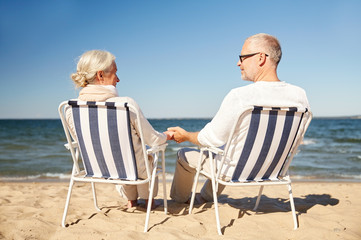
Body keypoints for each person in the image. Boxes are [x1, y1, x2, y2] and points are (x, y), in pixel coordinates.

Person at [168, 33, 311, 203]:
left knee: (184, 155)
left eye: (242, 57)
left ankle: (178, 201)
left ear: (260, 58)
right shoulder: (299, 95)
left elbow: (210, 138)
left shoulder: (240, 96)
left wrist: (186, 136)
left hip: (235, 172)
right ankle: (206, 196)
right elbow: (296, 139)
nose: (238, 63)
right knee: (231, 148)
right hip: (272, 171)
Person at [66, 50, 173, 208]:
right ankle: (150, 201)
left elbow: (83, 142)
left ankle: (131, 201)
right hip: (135, 171)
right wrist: (167, 135)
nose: (118, 79)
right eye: (115, 73)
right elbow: (153, 139)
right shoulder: (125, 105)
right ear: (100, 75)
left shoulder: (70, 110)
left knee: (121, 155)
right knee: (143, 156)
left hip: (101, 171)